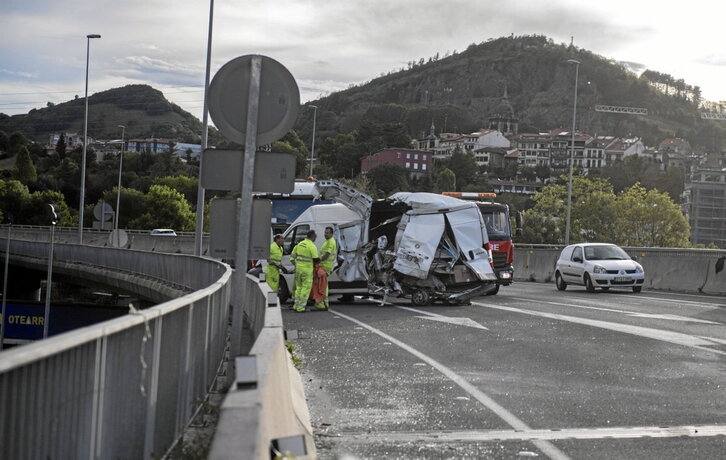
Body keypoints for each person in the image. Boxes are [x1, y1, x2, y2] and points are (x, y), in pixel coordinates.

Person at [290, 230, 319, 312]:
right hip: (307, 270)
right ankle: (301, 307)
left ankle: (296, 305)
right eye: (315, 237)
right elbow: (316, 259)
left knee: (298, 287)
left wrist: (296, 265)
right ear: (313, 236)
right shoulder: (312, 246)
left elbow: (293, 257)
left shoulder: (300, 244)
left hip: (299, 269)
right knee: (305, 288)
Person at [318, 226, 337, 309]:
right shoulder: (327, 241)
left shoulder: (331, 242)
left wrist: (319, 260)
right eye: (325, 232)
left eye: (327, 233)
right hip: (323, 265)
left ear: (332, 234)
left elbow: (327, 254)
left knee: (323, 285)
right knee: (323, 284)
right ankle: (324, 302)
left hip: (326, 266)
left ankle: (325, 302)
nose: (325, 234)